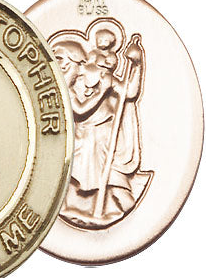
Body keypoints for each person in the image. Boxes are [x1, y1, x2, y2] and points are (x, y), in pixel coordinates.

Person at [50, 20, 152, 229]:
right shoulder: (73, 81)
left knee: (110, 178)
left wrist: (137, 64)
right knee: (73, 176)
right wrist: (102, 91)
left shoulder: (107, 78)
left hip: (103, 134)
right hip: (81, 136)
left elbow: (129, 92)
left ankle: (119, 209)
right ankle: (68, 208)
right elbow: (79, 110)